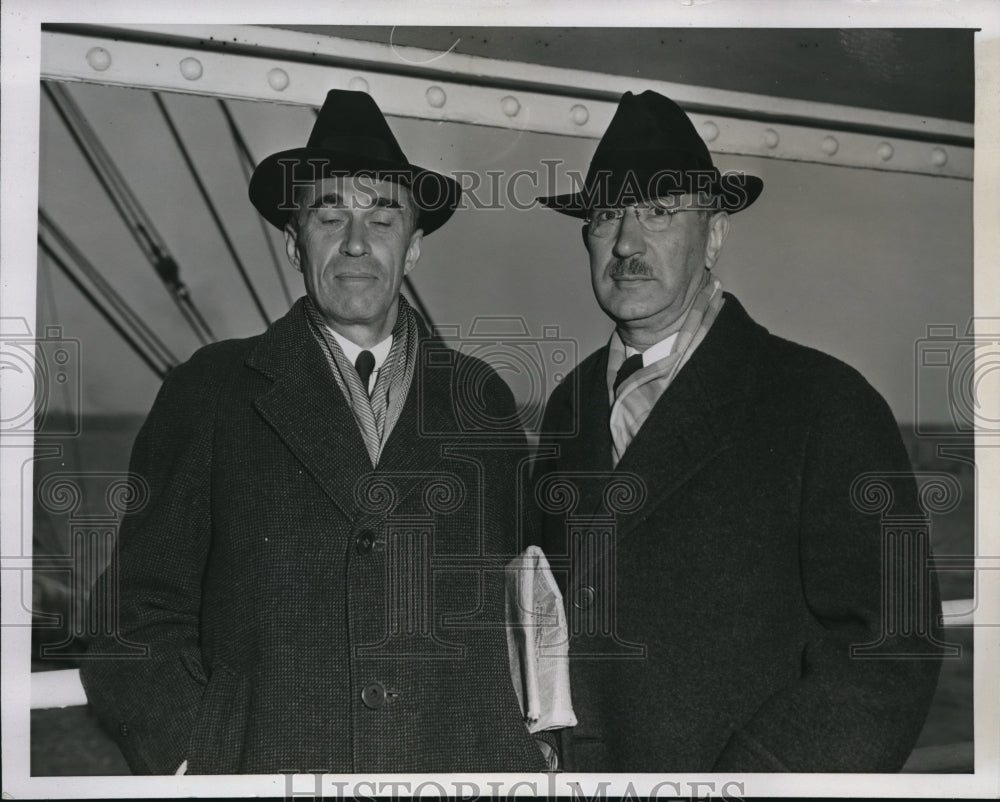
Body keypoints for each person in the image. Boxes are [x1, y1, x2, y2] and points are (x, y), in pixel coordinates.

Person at [80, 89, 547, 775]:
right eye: (330, 215)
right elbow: (133, 611)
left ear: (413, 248)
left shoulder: (481, 397)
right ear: (294, 241)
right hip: (271, 772)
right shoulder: (208, 389)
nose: (357, 243)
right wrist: (191, 763)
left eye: (383, 219)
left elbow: (524, 605)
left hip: (451, 771)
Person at [529, 90, 945, 773]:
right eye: (609, 215)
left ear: (714, 235)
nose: (628, 242)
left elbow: (891, 650)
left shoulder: (823, 403)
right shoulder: (569, 405)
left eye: (660, 213)